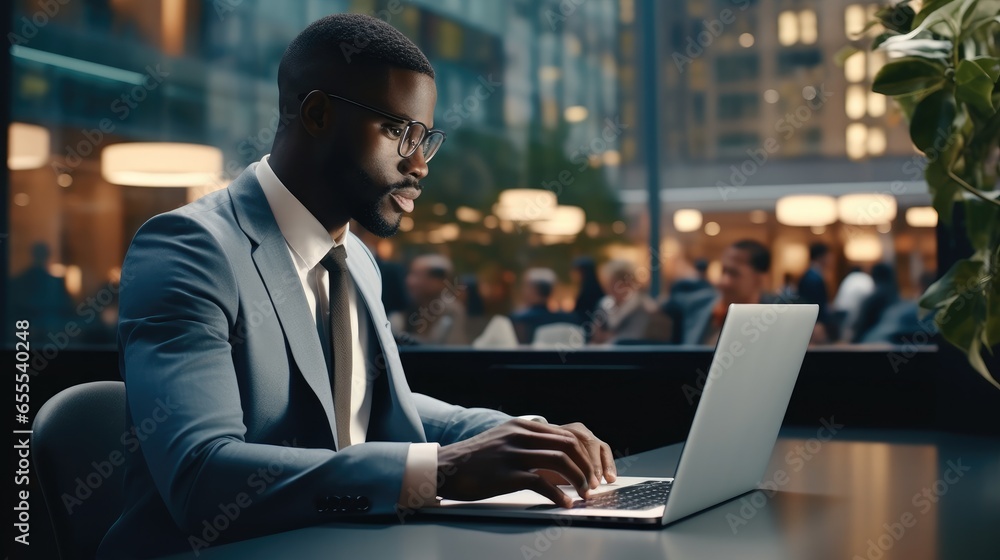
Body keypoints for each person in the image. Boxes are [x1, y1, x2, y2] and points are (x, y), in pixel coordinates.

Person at [99, 14, 615, 558]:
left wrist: (520, 434)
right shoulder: (188, 249)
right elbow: (201, 477)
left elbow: (364, 405)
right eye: (398, 132)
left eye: (425, 138)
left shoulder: (355, 260)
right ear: (318, 114)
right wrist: (439, 469)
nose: (418, 164)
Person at [665, 239, 774, 345]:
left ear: (760, 279)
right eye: (723, 271)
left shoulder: (772, 320)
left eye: (734, 274)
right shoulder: (698, 306)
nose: (723, 282)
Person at [389, 254, 468, 345]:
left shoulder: (452, 311)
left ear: (437, 282)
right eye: (410, 274)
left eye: (417, 276)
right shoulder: (402, 308)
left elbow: (454, 347)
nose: (409, 281)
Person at [590, 260, 672, 344]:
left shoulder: (644, 307)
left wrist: (606, 337)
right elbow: (596, 335)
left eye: (618, 284)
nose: (612, 289)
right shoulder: (604, 304)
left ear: (629, 284)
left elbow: (631, 339)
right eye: (610, 284)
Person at [509, 268, 578, 344]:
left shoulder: (519, 320)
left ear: (533, 290)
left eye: (526, 287)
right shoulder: (570, 319)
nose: (523, 291)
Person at [852, 262, 900, 343]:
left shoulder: (872, 299)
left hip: (870, 344)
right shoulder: (896, 297)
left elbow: (860, 327)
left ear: (874, 276)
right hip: (892, 344)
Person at [798, 242, 833, 337]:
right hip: (814, 325)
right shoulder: (813, 278)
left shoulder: (811, 275)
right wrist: (817, 323)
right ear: (820, 257)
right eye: (828, 255)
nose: (831, 259)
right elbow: (812, 302)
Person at [832, 266, 875, 342]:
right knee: (849, 335)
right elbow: (871, 298)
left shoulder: (848, 278)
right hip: (852, 312)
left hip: (840, 310)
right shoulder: (866, 279)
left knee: (842, 336)